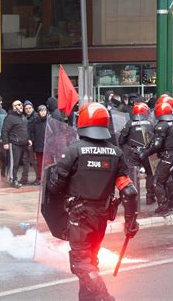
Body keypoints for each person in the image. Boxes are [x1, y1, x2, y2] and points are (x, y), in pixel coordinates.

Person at [47, 102, 139, 301]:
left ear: (83, 123)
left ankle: (104, 296)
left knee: (81, 262)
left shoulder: (74, 151)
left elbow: (55, 187)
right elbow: (129, 191)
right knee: (91, 260)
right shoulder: (116, 153)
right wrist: (131, 221)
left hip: (79, 217)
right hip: (101, 217)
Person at [139, 100, 173, 215]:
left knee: (157, 181)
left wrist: (145, 153)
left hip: (169, 156)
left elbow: (156, 145)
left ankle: (163, 207)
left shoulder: (162, 125)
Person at [118, 102, 155, 205]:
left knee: (132, 175)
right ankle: (150, 197)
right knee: (150, 173)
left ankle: (132, 199)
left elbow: (121, 140)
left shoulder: (129, 123)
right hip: (147, 152)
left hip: (133, 152)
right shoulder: (151, 123)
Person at [1, 100, 32, 188]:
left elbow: (23, 130)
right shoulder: (10, 117)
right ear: (14, 107)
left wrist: (28, 139)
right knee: (14, 163)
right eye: (18, 105)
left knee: (18, 163)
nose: (21, 106)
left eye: (21, 104)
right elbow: (4, 131)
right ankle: (13, 180)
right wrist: (5, 143)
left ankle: (14, 179)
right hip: (14, 143)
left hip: (23, 143)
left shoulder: (22, 117)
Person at [22, 100, 39, 185]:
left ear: (32, 108)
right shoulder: (25, 118)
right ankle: (24, 178)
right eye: (26, 108)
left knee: (34, 161)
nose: (28, 110)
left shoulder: (36, 117)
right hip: (26, 142)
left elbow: (36, 131)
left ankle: (38, 178)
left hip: (33, 143)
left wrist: (32, 141)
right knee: (25, 160)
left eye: (29, 108)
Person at [30, 105, 48, 185]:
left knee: (47, 163)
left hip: (48, 145)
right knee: (39, 163)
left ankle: (47, 178)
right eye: (41, 111)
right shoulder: (35, 121)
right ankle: (40, 178)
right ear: (38, 112)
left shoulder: (49, 121)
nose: (43, 112)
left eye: (44, 110)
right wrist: (33, 141)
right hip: (38, 145)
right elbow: (32, 132)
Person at [0, 95, 8, 179]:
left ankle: (3, 174)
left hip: (2, 138)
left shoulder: (3, 112)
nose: (0, 104)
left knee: (4, 157)